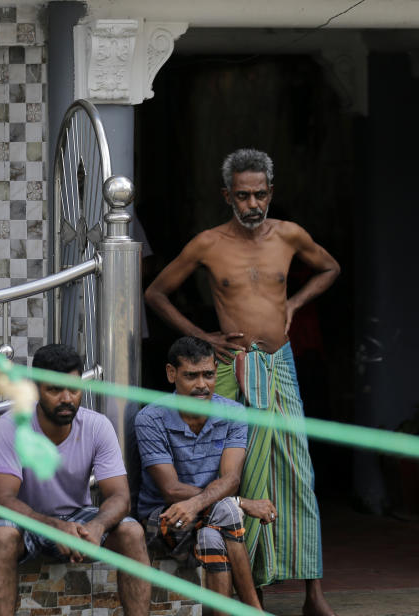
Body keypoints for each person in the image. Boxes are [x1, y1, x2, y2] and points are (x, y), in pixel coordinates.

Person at [144, 148, 340, 615]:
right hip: (229, 368)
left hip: (279, 365)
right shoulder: (207, 243)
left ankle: (314, 594)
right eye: (244, 195)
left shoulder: (289, 235)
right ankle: (254, 586)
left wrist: (293, 304)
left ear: (271, 193)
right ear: (227, 195)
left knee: (298, 473)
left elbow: (330, 268)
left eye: (260, 195)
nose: (253, 204)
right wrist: (203, 336)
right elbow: (156, 293)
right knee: (238, 471)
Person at [0, 344, 151, 616]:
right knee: (2, 537)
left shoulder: (97, 426)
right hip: (27, 520)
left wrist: (97, 527)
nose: (67, 398)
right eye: (54, 389)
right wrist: (53, 526)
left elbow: (120, 496)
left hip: (77, 517)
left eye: (73, 389)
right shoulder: (12, 425)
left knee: (132, 532)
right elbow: (2, 499)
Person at [135, 336, 277, 614]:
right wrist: (241, 504)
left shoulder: (233, 413)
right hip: (163, 515)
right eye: (191, 376)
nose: (202, 385)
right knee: (227, 509)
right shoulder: (150, 418)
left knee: (213, 535)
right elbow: (172, 491)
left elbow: (231, 480)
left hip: (210, 516)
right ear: (171, 373)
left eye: (208, 375)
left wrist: (210, 503)